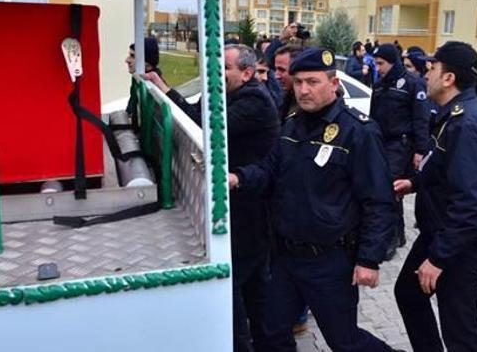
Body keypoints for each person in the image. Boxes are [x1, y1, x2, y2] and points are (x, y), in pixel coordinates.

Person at [228, 48, 401, 352]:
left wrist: (368, 259)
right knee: (271, 334)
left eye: (313, 81)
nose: (303, 90)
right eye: (298, 82)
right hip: (285, 256)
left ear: (334, 84)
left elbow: (378, 200)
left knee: (344, 341)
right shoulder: (293, 125)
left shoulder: (358, 132)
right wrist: (238, 178)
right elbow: (269, 169)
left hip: (330, 261)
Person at [146, 45, 280, 351]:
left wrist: (166, 88)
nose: (216, 75)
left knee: (238, 287)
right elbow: (195, 113)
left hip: (251, 204)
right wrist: (164, 87)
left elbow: (205, 128)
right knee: (251, 288)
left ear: (247, 74)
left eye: (225, 69)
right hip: (240, 200)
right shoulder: (225, 95)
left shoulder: (254, 100)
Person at [392, 41, 477, 352]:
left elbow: (473, 201)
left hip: (460, 242)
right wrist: (415, 183)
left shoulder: (466, 122)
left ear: (449, 78)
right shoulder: (453, 113)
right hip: (441, 230)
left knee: (459, 327)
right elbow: (445, 166)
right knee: (409, 293)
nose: (426, 73)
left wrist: (438, 258)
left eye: (432, 68)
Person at [371, 43, 430, 260]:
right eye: (376, 63)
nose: (378, 68)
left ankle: (391, 238)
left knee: (389, 189)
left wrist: (420, 150)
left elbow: (421, 119)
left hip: (401, 145)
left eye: (381, 64)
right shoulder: (379, 85)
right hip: (381, 143)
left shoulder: (413, 84)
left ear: (392, 62)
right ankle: (400, 233)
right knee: (390, 190)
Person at [125, 37, 162, 115]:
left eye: (132, 56)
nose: (127, 60)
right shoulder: (141, 82)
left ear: (147, 62)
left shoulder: (152, 90)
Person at [272, 44, 305, 120]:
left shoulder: (310, 104)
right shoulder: (284, 98)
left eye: (282, 70)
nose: (276, 76)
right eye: (276, 69)